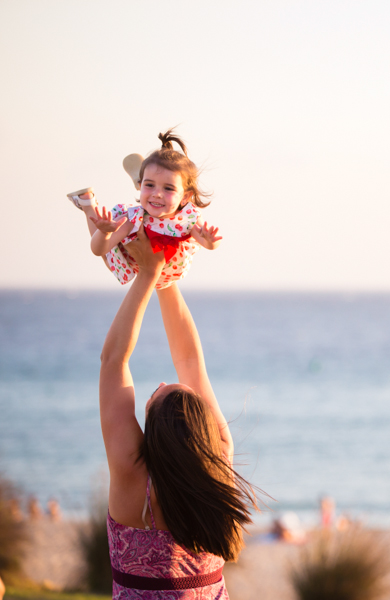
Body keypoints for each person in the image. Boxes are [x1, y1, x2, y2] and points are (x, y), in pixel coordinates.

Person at [99, 228, 256, 598]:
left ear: (151, 431)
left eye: (154, 394)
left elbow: (114, 360)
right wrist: (163, 269)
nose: (165, 381)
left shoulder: (133, 481)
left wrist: (149, 274)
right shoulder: (218, 465)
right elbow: (190, 359)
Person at [67, 128, 222, 290]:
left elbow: (205, 243)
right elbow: (100, 250)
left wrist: (211, 241)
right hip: (140, 267)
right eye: (150, 185)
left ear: (185, 197)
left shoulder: (187, 218)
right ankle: (88, 204)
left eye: (168, 188)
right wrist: (105, 233)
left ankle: (143, 180)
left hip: (164, 275)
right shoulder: (133, 219)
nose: (158, 194)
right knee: (109, 257)